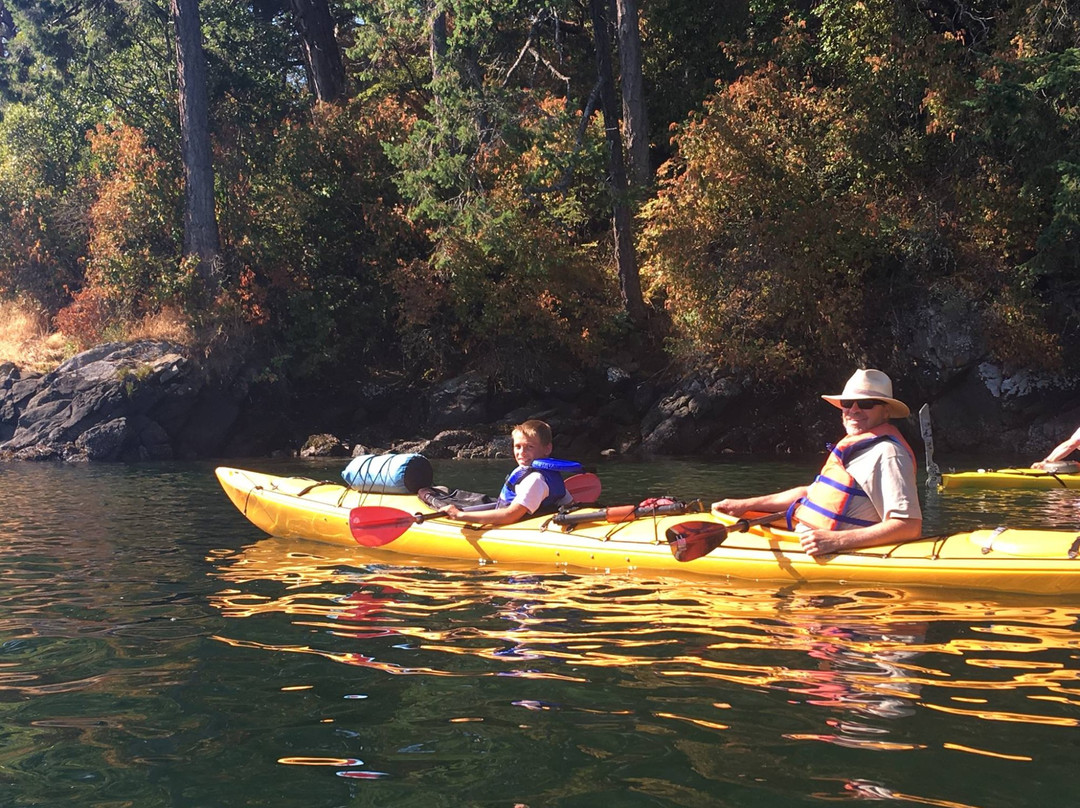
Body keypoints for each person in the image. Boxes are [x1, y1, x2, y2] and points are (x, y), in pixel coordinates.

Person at [711, 369, 922, 556]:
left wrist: (836, 542)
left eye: (866, 404)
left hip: (831, 546)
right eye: (848, 403)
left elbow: (909, 526)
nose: (854, 410)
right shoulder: (856, 448)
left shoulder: (888, 454)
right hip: (804, 533)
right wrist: (745, 505)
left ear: (886, 412)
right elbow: (810, 493)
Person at [439, 419, 574, 526]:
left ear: (547, 449)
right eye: (518, 446)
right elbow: (569, 503)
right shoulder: (546, 473)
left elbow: (509, 516)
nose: (521, 453)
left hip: (514, 525)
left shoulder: (535, 480)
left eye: (529, 447)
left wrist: (459, 515)